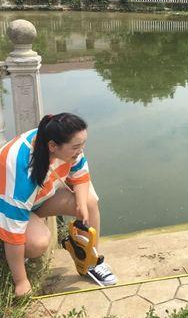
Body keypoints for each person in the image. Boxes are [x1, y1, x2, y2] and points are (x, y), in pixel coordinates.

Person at [0, 113, 117, 296]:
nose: (81, 150)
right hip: (7, 206)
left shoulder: (66, 143)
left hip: (39, 198)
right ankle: (19, 268)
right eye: (76, 147)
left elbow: (80, 174)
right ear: (53, 147)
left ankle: (90, 261)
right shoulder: (20, 172)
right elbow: (12, 235)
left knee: (89, 202)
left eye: (82, 145)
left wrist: (81, 205)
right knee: (37, 243)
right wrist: (21, 282)